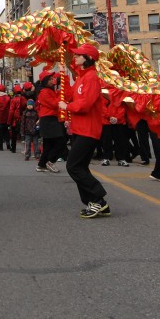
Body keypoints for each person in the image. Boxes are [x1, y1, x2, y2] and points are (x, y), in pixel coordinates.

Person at [61, 43, 110, 218]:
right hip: (79, 129)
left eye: (78, 55)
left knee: (73, 166)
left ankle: (97, 197)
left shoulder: (91, 78)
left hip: (88, 130)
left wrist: (67, 106)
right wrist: (63, 78)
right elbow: (70, 94)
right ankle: (98, 204)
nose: (75, 57)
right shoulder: (82, 78)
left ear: (88, 58)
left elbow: (85, 105)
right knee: (80, 167)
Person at [35, 71, 66, 173]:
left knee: (48, 145)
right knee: (60, 142)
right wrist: (59, 96)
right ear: (44, 81)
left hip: (50, 118)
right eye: (49, 79)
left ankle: (41, 165)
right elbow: (53, 104)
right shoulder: (44, 92)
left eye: (51, 79)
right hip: (48, 119)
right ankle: (50, 161)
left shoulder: (49, 90)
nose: (51, 81)